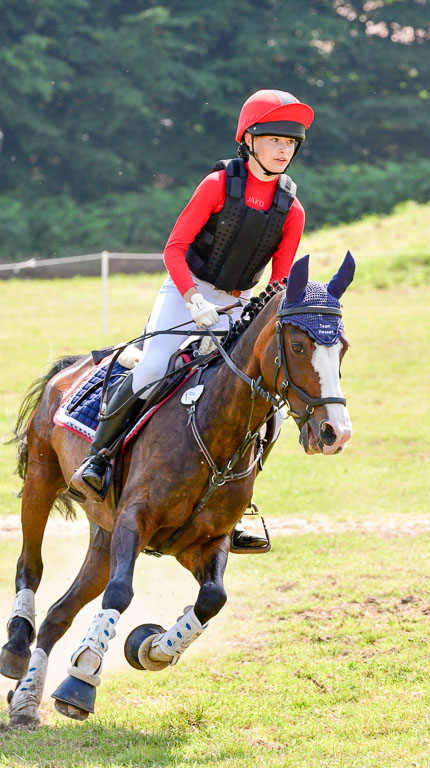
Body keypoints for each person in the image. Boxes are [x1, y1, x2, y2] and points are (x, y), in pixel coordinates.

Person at [70, 89, 314, 546]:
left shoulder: (292, 209)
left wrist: (250, 319)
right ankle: (99, 460)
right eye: (276, 139)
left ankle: (232, 506)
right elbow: (174, 249)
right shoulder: (216, 186)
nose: (285, 149)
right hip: (186, 291)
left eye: (291, 143)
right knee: (153, 370)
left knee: (263, 407)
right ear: (250, 140)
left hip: (238, 305)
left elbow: (279, 284)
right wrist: (193, 299)